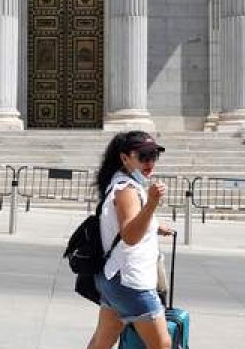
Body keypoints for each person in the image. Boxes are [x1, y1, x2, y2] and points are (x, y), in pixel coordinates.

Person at [86, 131, 176, 349]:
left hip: (113, 277)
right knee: (162, 345)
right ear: (125, 158)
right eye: (143, 156)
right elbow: (130, 235)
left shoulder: (120, 183)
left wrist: (154, 226)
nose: (150, 163)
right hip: (131, 282)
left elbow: (127, 224)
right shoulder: (126, 189)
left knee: (103, 340)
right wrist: (152, 203)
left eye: (154, 156)